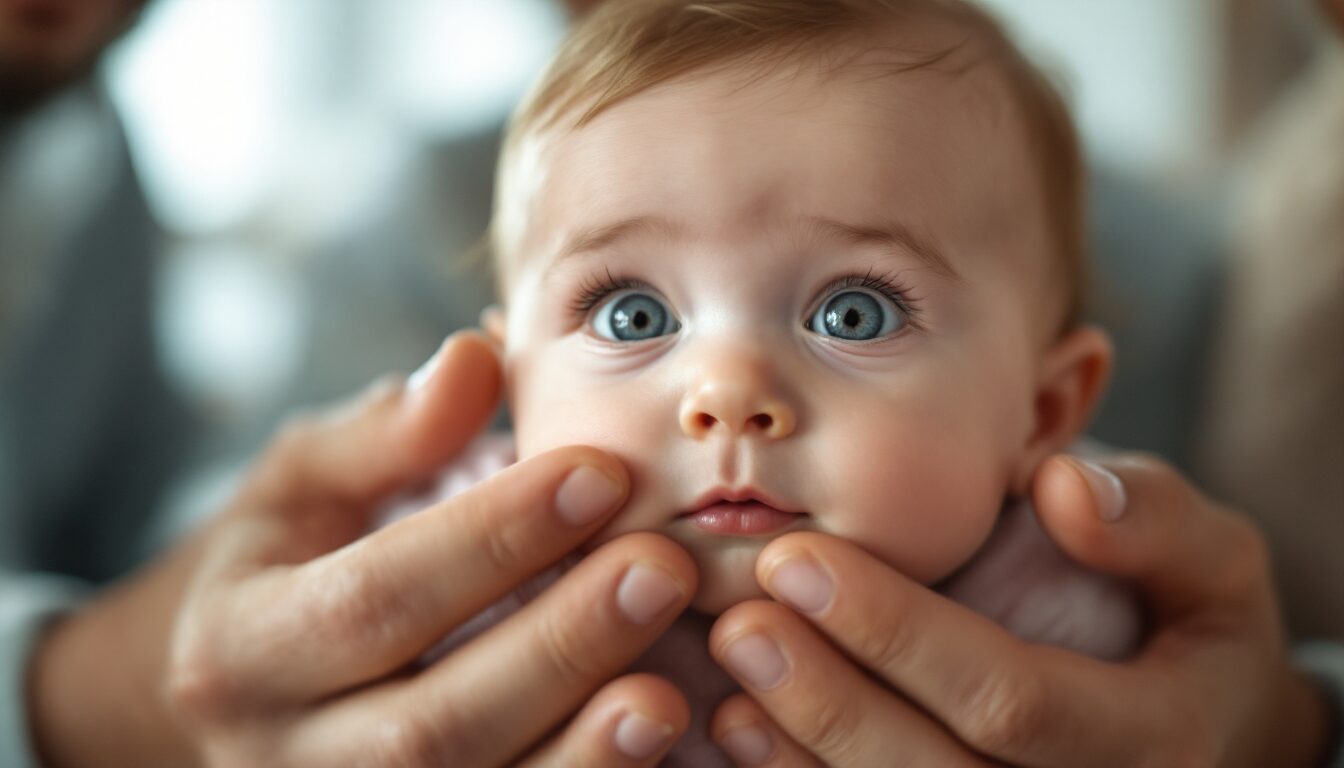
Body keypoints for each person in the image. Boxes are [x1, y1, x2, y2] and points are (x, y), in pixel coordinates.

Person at [3, 3, 1340, 768]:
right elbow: (241, 615)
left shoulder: (1069, 594)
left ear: (1042, 412)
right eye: (632, 313)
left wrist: (1290, 723)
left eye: (854, 311)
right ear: (507, 381)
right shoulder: (464, 537)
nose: (727, 394)